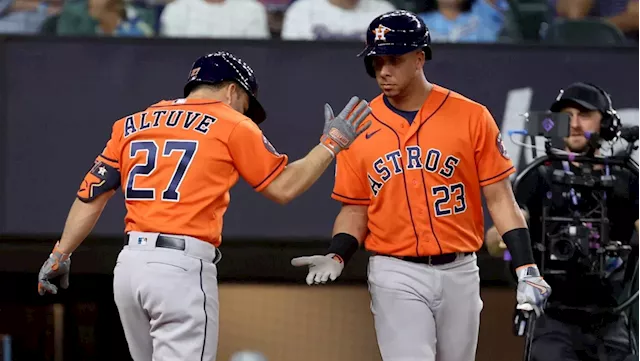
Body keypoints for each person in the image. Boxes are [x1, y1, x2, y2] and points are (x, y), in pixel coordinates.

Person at [35, 51, 372, 361]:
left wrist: (60, 254)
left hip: (129, 269)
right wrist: (331, 144)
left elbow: (92, 195)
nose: (245, 111)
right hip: (180, 268)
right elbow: (284, 187)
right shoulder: (233, 123)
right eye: (245, 102)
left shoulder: (130, 124)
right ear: (231, 91)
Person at [290, 9, 551, 361]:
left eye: (394, 59)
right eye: (376, 61)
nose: (383, 70)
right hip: (395, 269)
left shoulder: (471, 115)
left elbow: (501, 200)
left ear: (419, 58)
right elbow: (355, 207)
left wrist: (527, 268)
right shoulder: (358, 125)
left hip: (460, 268)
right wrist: (339, 253)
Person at [485, 82, 640, 361]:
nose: (574, 124)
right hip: (552, 319)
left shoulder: (626, 179)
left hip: (612, 318)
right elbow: (495, 242)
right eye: (566, 116)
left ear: (606, 123)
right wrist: (505, 238)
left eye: (584, 115)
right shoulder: (539, 176)